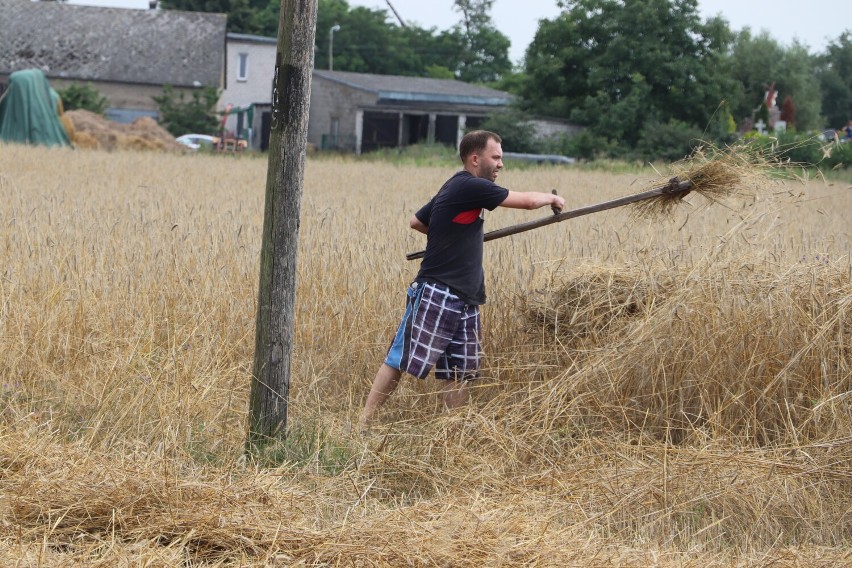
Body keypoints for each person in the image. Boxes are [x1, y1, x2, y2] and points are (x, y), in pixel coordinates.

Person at [358, 130, 565, 428]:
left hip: (466, 298)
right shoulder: (469, 185)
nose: (501, 164)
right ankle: (363, 424)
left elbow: (418, 221)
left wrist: (449, 236)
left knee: (457, 371)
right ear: (475, 158)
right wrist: (554, 197)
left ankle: (453, 432)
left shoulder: (456, 186)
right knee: (401, 357)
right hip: (437, 290)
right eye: (496, 157)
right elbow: (529, 202)